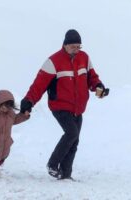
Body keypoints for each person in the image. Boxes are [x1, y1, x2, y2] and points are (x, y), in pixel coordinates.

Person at [20, 29, 109, 180]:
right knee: (71, 134)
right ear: (65, 45)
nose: (76, 49)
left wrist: (99, 86)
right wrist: (28, 101)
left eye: (78, 46)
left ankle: (65, 175)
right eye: (73, 46)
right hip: (60, 106)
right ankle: (53, 164)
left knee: (74, 141)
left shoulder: (84, 58)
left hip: (78, 107)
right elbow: (38, 85)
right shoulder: (53, 61)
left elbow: (92, 78)